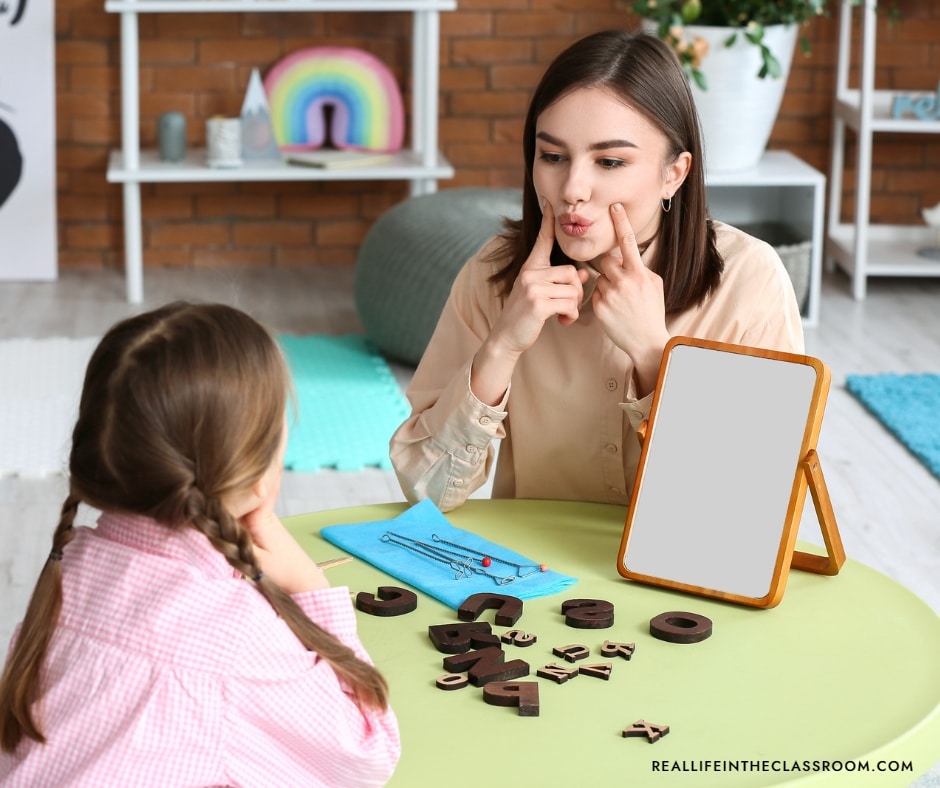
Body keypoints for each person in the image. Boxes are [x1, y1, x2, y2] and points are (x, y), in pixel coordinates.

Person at [390, 29, 804, 513]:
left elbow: (745, 514)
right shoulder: (494, 274)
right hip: (536, 574)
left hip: (684, 580)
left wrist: (655, 354)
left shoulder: (749, 281)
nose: (573, 188)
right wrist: (501, 347)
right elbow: (426, 491)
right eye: (553, 156)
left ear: (675, 172)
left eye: (609, 161)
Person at [0, 303, 400, 786]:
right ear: (258, 477)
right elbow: (367, 754)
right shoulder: (234, 641)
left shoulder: (74, 570)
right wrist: (308, 585)